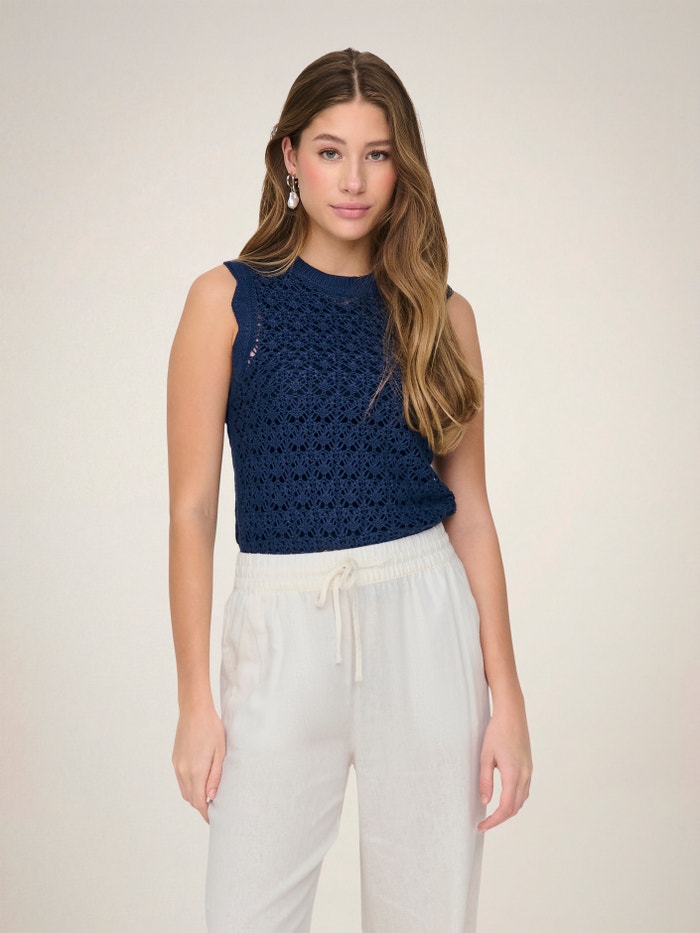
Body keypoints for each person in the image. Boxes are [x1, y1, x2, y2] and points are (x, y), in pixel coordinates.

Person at [167, 48, 532, 933]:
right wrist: (194, 702)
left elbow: (472, 515)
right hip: (283, 624)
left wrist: (509, 700)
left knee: (428, 913)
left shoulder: (442, 315)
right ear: (290, 156)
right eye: (331, 152)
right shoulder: (226, 302)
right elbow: (192, 510)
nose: (354, 180)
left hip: (425, 618)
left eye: (377, 153)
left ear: (403, 165)